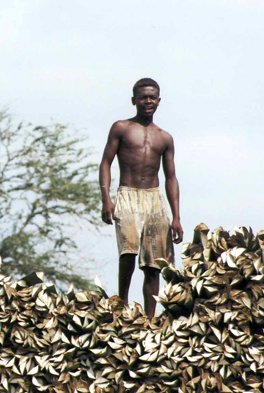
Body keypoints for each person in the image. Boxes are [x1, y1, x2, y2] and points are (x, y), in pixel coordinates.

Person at [99, 78, 183, 319]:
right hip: (128, 195)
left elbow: (171, 177)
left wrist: (176, 217)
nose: (148, 101)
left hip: (155, 199)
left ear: (159, 101)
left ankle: (149, 318)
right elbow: (106, 162)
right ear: (134, 100)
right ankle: (122, 304)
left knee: (154, 263)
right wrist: (106, 198)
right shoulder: (121, 128)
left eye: (153, 97)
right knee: (128, 251)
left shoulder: (165, 138)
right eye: (144, 97)